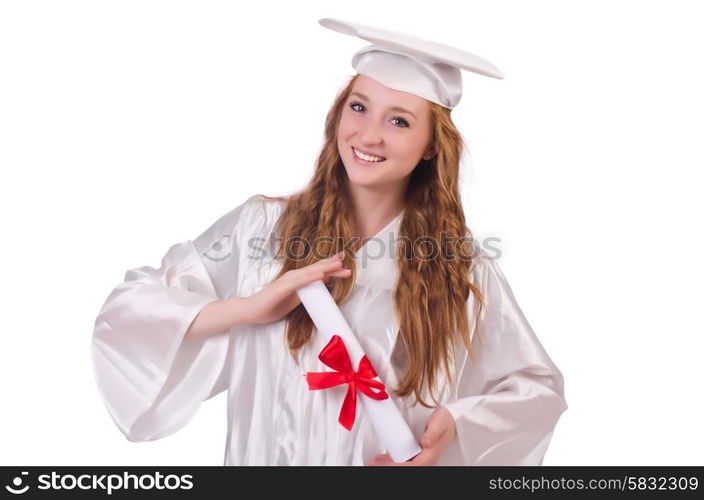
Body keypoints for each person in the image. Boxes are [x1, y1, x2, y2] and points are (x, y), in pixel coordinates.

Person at [91, 18, 567, 466]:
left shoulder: (456, 264)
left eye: (399, 121)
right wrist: (250, 308)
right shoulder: (260, 230)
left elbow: (535, 388)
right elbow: (132, 308)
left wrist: (457, 422)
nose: (368, 135)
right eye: (358, 108)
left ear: (430, 147)